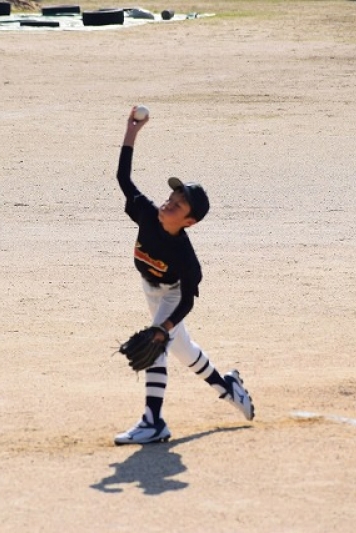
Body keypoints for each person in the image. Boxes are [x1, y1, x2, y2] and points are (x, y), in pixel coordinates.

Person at [113, 106, 255, 445]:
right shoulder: (147, 214)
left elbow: (188, 300)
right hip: (150, 289)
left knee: (158, 344)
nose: (169, 203)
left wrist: (164, 328)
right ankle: (229, 388)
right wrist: (132, 132)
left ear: (189, 222)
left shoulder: (186, 259)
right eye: (171, 197)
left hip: (173, 295)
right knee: (184, 350)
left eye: (178, 204)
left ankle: (153, 422)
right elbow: (123, 179)